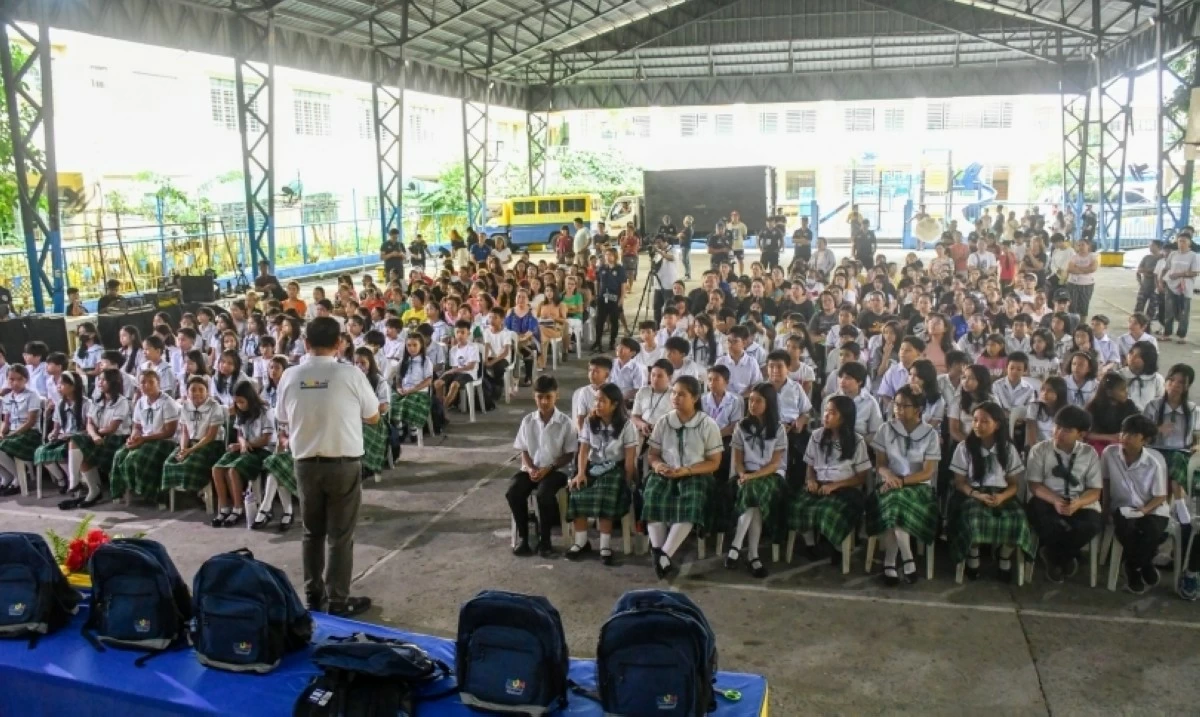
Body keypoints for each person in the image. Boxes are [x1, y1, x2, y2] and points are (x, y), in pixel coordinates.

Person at [276, 316, 380, 617]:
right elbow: (373, 416)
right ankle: (337, 599)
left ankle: (312, 594)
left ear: (305, 343)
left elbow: (283, 416)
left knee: (312, 532)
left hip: (306, 465)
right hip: (343, 464)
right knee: (340, 535)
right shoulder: (351, 375)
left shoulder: (290, 376)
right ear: (339, 344)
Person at [643, 376, 724, 579]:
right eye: (674, 393)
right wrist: (659, 465)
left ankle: (664, 554)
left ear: (695, 397)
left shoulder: (707, 424)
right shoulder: (664, 421)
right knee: (653, 494)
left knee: (692, 500)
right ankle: (659, 552)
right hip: (667, 472)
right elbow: (652, 454)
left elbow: (714, 462)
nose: (675, 398)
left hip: (696, 475)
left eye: (682, 394)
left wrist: (687, 470)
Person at [948, 401, 1033, 582]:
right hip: (973, 493)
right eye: (975, 420)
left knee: (1017, 520)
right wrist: (976, 494)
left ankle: (1004, 555)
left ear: (998, 425)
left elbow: (1013, 484)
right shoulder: (964, 447)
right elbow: (959, 482)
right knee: (974, 518)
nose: (978, 425)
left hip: (1001, 494)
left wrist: (1002, 496)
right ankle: (973, 554)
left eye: (985, 421)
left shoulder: (1008, 450)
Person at [867, 385, 941, 584]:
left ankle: (891, 560)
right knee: (894, 502)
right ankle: (907, 558)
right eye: (896, 404)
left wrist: (900, 481)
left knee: (897, 503)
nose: (897, 409)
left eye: (903, 406)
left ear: (918, 409)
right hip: (890, 483)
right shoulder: (886, 428)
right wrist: (889, 476)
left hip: (919, 487)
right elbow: (880, 464)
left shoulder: (930, 434)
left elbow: (927, 472)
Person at [1024, 405, 1103, 583]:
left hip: (1078, 502)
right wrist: (1055, 501)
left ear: (1081, 434)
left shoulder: (1089, 453)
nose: (1058, 432)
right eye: (1057, 426)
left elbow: (1095, 491)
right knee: (1049, 522)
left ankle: (1053, 556)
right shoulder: (1040, 449)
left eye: (1067, 430)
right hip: (1046, 499)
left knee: (1091, 525)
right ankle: (1066, 557)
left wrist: (1078, 503)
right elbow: (1034, 485)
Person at [566, 382, 638, 565]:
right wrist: (581, 473)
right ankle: (581, 541)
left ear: (614, 404)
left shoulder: (626, 426)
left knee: (606, 492)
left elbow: (630, 458)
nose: (597, 404)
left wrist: (627, 482)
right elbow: (583, 450)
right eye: (596, 400)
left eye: (602, 401)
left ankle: (605, 545)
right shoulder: (590, 422)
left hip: (615, 468)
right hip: (593, 466)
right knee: (577, 490)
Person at [722, 382, 787, 578]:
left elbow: (775, 464)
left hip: (771, 477)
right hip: (747, 475)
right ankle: (753, 555)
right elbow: (738, 460)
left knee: (752, 491)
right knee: (754, 501)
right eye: (751, 400)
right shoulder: (742, 426)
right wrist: (742, 474)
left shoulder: (778, 429)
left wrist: (751, 476)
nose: (753, 404)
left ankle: (735, 546)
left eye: (758, 400)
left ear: (769, 404)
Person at [508, 375, 578, 558]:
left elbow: (570, 454)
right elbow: (523, 449)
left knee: (544, 495)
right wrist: (530, 468)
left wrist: (550, 467)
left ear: (557, 396)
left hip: (557, 471)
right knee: (513, 491)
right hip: (533, 469)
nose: (544, 402)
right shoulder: (528, 421)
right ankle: (525, 538)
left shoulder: (565, 423)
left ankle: (545, 541)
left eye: (548, 397)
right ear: (534, 397)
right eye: (540, 397)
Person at [1101, 414, 1169, 594]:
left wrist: (1145, 510)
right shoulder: (1110, 453)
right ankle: (1144, 565)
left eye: (1132, 435)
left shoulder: (1154, 462)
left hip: (1152, 507)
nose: (1125, 438)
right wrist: (1105, 507)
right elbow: (1106, 482)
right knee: (1126, 527)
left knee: (1151, 530)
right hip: (1123, 507)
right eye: (1123, 433)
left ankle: (1132, 566)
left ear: (1145, 440)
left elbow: (1161, 496)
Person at [108, 370, 181, 504]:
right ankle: (124, 489)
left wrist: (143, 439)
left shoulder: (167, 402)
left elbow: (169, 431)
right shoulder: (141, 402)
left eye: (150, 382)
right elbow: (137, 427)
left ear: (158, 384)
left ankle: (150, 492)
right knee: (120, 454)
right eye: (143, 382)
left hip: (163, 441)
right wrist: (133, 437)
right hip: (145, 440)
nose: (146, 385)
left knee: (138, 457)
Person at [209, 381, 274, 527]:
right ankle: (224, 508)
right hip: (244, 447)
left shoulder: (265, 410)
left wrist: (245, 444)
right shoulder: (240, 411)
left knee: (233, 469)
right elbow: (239, 433)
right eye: (236, 402)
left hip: (262, 450)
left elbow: (266, 439)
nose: (238, 405)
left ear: (250, 398)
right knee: (217, 468)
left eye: (241, 401)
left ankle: (238, 509)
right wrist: (242, 443)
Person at [161, 376, 227, 508]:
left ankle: (200, 492)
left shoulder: (214, 407)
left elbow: (210, 436)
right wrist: (183, 449)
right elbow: (184, 432)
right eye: (193, 390)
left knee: (192, 463)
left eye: (201, 390)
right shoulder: (185, 406)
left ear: (207, 392)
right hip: (191, 442)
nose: (196, 393)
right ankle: (170, 498)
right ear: (187, 392)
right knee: (169, 462)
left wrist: (190, 451)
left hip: (210, 444)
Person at [1161, 232, 1200, 344]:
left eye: (1183, 241)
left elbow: (1195, 272)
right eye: (1179, 241)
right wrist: (1161, 280)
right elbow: (1167, 268)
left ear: (1189, 243)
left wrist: (1179, 274)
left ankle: (1182, 335)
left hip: (1184, 288)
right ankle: (1167, 333)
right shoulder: (1173, 254)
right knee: (1169, 310)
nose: (1181, 243)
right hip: (1170, 285)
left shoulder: (1193, 256)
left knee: (1183, 311)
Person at [592, 248, 626, 353]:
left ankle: (612, 341)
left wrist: (622, 298)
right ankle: (598, 341)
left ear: (615, 256)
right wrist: (597, 294)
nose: (608, 257)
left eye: (610, 255)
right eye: (606, 254)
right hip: (603, 298)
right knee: (599, 321)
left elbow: (623, 285)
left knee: (614, 321)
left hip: (614, 298)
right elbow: (597, 282)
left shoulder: (619, 269)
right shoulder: (602, 268)